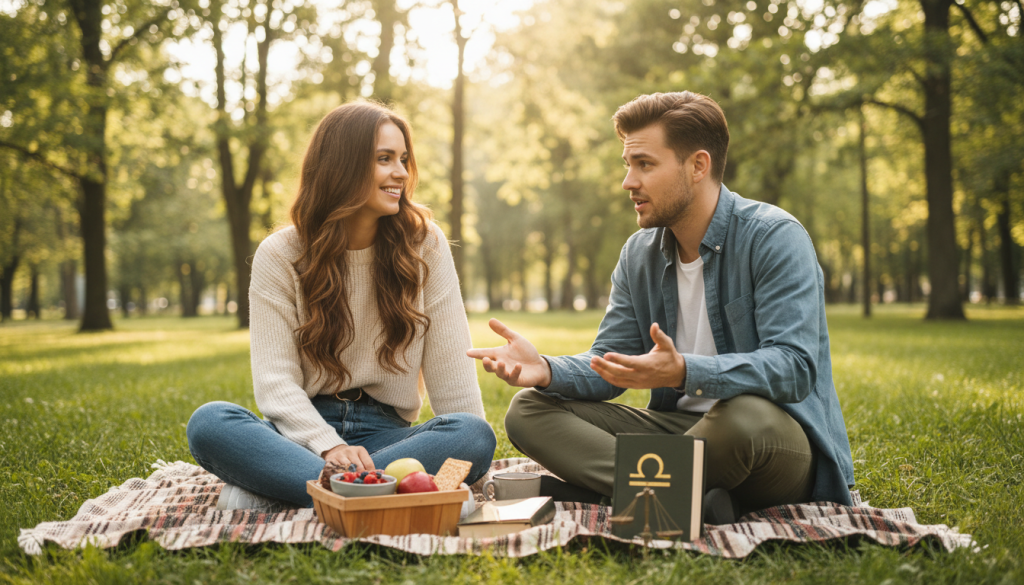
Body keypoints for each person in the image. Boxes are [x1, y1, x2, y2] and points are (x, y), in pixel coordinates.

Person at [467, 92, 854, 522]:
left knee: (742, 415)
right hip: (682, 434)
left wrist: (687, 371)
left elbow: (795, 367)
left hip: (769, 439)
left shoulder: (774, 237)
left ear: (697, 166)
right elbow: (609, 362)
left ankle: (613, 493)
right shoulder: (640, 254)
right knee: (529, 409)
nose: (628, 181)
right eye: (627, 164)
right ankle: (686, 499)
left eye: (645, 164)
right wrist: (547, 369)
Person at [187, 101, 496, 510]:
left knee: (473, 434)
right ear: (342, 166)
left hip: (387, 436)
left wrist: (474, 472)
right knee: (210, 423)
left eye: (403, 159)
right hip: (300, 437)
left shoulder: (426, 244)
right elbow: (275, 383)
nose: (401, 173)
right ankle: (377, 492)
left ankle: (294, 490)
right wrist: (327, 445)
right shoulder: (280, 254)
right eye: (384, 159)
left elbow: (452, 375)